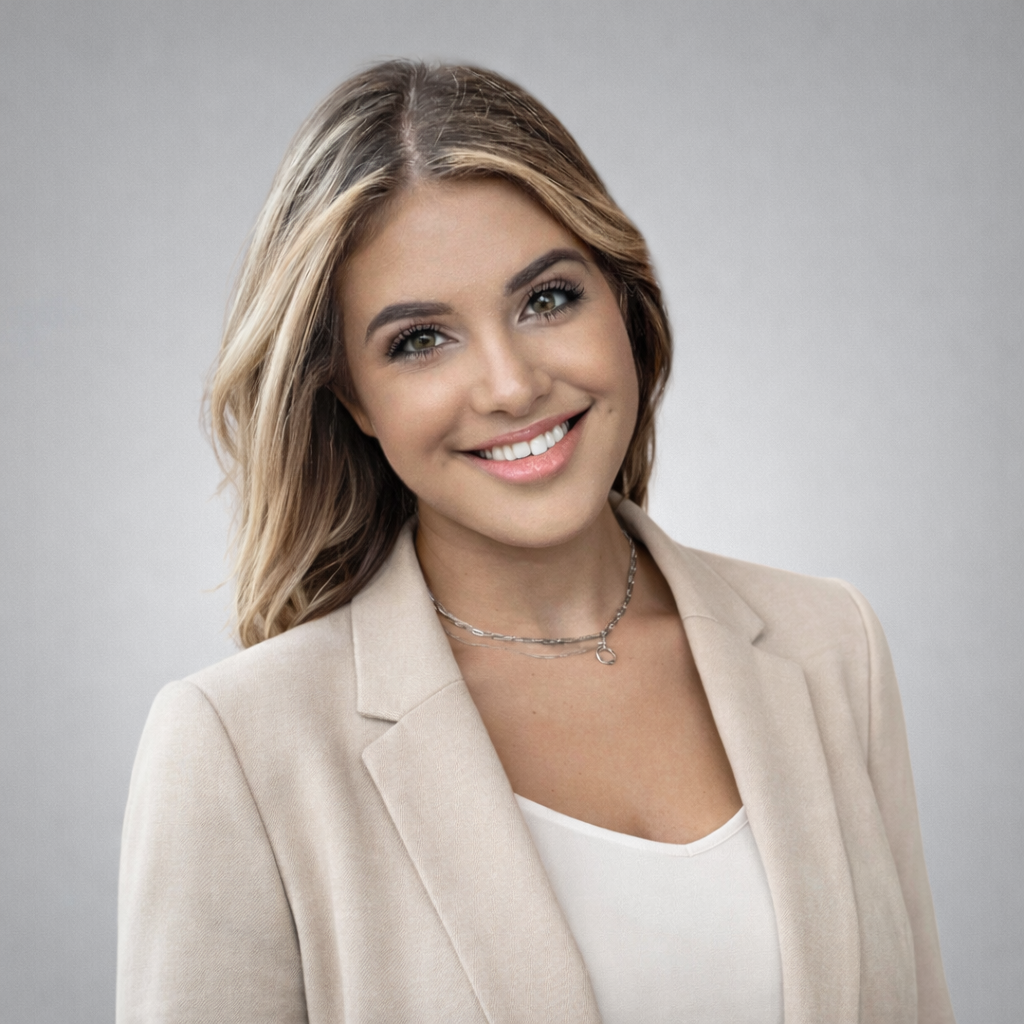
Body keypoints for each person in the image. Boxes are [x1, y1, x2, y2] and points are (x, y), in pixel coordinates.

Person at [116, 60, 956, 1024]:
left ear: (626, 304)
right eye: (420, 340)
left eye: (548, 300)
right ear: (350, 397)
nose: (510, 385)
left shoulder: (829, 645)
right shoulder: (238, 747)